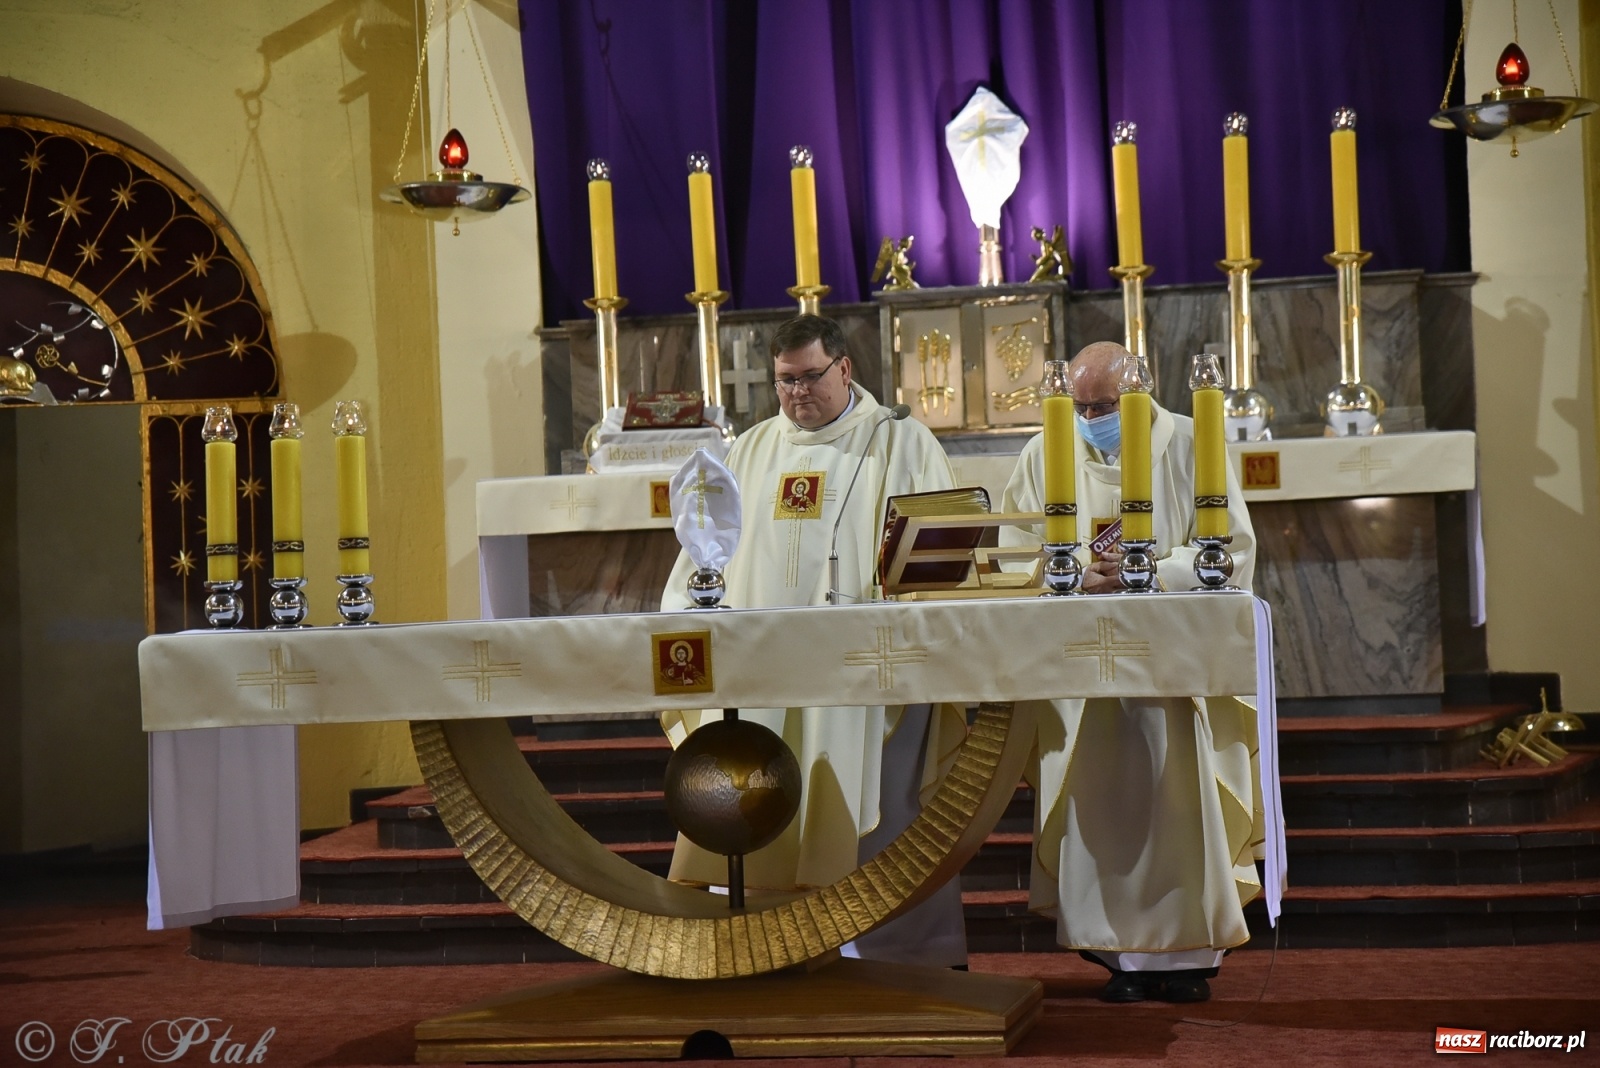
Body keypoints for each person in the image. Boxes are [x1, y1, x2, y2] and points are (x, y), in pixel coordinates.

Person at [660, 314, 969, 968]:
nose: (797, 392)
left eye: (810, 377)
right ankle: (762, 948)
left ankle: (897, 958)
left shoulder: (900, 440)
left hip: (866, 674)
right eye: (784, 381)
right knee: (756, 792)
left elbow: (943, 559)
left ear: (844, 368)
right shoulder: (749, 450)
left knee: (883, 805)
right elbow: (700, 561)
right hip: (763, 675)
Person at [1001, 340, 1264, 1003]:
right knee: (1099, 806)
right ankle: (1118, 954)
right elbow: (1013, 553)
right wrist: (1067, 573)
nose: (1091, 418)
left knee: (1175, 803)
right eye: (1081, 407)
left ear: (1140, 390)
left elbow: (1232, 548)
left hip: (1171, 671)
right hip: (1078, 673)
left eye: (1104, 405)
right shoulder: (1044, 451)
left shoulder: (1191, 442)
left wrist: (1155, 571)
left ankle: (1189, 954)